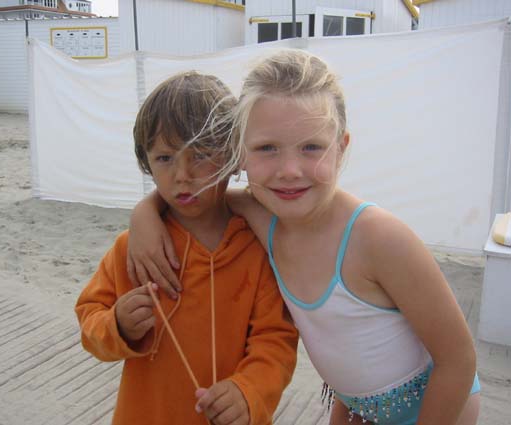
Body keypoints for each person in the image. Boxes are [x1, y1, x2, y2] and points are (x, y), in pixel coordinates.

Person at [126, 51, 481, 425]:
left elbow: (459, 359)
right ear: (239, 155)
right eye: (267, 148)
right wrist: (145, 213)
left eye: (312, 147)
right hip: (356, 407)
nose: (290, 170)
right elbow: (200, 197)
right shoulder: (262, 216)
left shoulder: (378, 238)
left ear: (341, 147)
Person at [75, 71, 299, 425]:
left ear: (233, 155)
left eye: (201, 155)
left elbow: (276, 340)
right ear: (146, 161)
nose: (182, 175)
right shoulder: (133, 248)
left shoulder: (257, 248)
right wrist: (117, 324)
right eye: (165, 158)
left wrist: (249, 391)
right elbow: (90, 319)